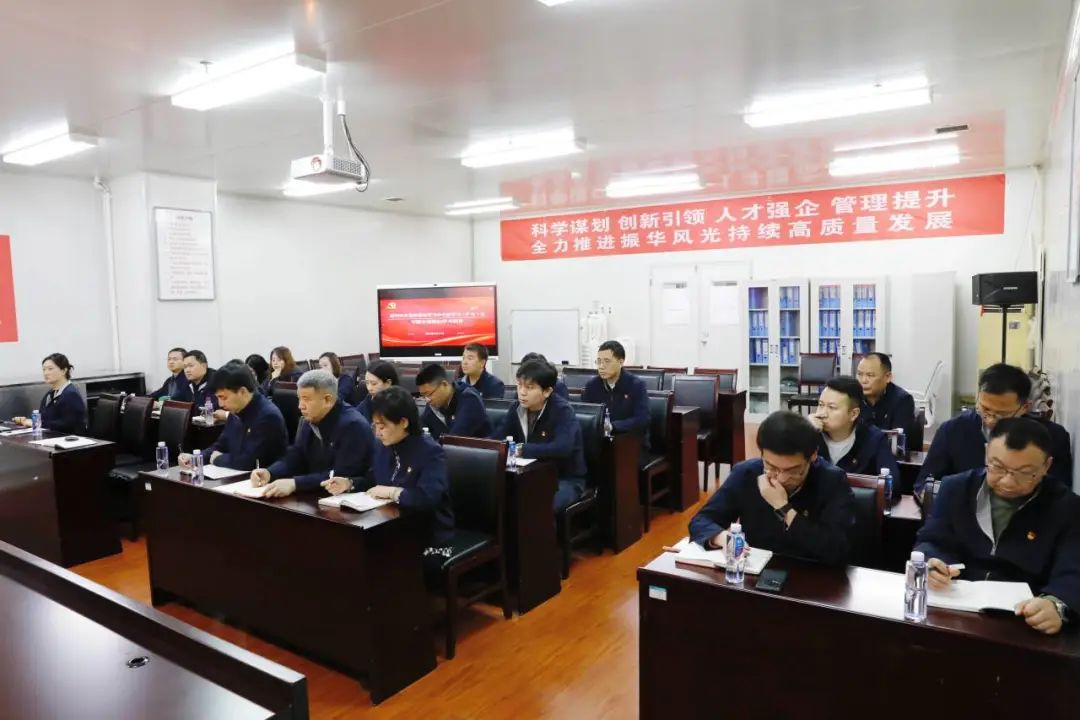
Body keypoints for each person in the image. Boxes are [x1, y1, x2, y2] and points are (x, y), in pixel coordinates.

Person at [915, 417, 1080, 635]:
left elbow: (1072, 571)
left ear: (1046, 466)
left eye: (1024, 473)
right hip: (955, 612)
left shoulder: (1066, 507)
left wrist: (1056, 604)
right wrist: (932, 563)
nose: (1008, 482)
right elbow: (931, 541)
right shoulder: (955, 488)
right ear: (986, 453)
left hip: (1022, 622)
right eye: (998, 467)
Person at [689, 411, 856, 566]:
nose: (781, 478)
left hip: (810, 574)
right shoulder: (746, 473)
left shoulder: (833, 480)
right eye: (771, 467)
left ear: (813, 455)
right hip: (756, 570)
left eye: (792, 470)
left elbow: (837, 549)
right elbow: (701, 521)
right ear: (761, 453)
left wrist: (784, 508)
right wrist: (722, 538)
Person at [326, 386, 454, 579]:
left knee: (381, 562)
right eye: (375, 426)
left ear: (403, 422)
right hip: (390, 528)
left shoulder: (430, 452)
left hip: (429, 537)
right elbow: (374, 481)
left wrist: (393, 493)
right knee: (346, 553)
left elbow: (428, 498)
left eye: (382, 426)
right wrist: (349, 483)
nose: (377, 433)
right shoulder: (383, 446)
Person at [916, 363, 1073, 494]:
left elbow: (1060, 497)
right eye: (984, 409)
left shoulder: (1052, 437)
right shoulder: (953, 430)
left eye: (1001, 414)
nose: (990, 420)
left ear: (1025, 407)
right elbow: (923, 486)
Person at [252, 369, 375, 498]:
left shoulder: (353, 425)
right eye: (299, 399)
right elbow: (297, 455)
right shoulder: (311, 418)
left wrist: (296, 484)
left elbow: (340, 475)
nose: (300, 406)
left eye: (306, 399)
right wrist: (270, 472)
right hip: (314, 494)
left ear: (327, 400)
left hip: (345, 499)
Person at [490, 360, 586, 513]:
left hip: (564, 479)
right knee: (497, 499)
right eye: (519, 385)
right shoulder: (516, 408)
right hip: (528, 475)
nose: (522, 392)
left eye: (529, 387)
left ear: (547, 391)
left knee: (536, 506)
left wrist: (520, 449)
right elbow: (498, 437)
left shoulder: (562, 411)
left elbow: (562, 448)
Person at [179, 361, 287, 471]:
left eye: (224, 398)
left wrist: (218, 459)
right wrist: (196, 458)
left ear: (242, 391)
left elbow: (250, 461)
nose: (220, 404)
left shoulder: (268, 416)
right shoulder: (236, 411)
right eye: (218, 398)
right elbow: (221, 445)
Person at [811, 377, 900, 496]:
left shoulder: (873, 439)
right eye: (821, 405)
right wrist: (804, 432)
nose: (822, 413)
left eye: (832, 407)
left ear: (853, 414)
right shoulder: (811, 434)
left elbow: (892, 484)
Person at [581, 340, 649, 438]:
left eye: (607, 361)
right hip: (601, 440)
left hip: (629, 439)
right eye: (599, 361)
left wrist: (612, 426)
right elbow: (585, 417)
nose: (601, 366)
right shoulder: (592, 386)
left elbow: (642, 419)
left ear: (620, 362)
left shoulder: (636, 385)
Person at [12, 353, 86, 434]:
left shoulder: (71, 394)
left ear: (63, 371)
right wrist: (26, 421)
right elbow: (45, 419)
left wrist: (36, 423)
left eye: (50, 369)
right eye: (44, 369)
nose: (46, 373)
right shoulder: (50, 394)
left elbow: (67, 425)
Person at [415, 363, 491, 441]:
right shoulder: (434, 403)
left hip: (478, 447)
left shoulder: (470, 400)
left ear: (444, 384)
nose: (427, 400)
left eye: (429, 394)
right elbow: (421, 429)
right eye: (423, 396)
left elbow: (454, 440)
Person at [856, 352, 916, 440]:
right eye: (860, 374)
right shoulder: (853, 397)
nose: (863, 380)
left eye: (870, 375)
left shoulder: (902, 400)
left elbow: (899, 441)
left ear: (887, 377)